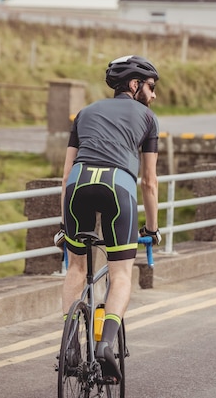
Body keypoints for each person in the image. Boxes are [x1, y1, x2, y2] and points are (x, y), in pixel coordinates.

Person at [54, 55, 162, 381]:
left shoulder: (85, 113)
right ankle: (105, 345)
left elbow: (65, 175)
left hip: (78, 184)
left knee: (76, 266)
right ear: (134, 85)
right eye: (151, 87)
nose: (153, 95)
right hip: (118, 187)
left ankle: (70, 344)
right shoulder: (147, 117)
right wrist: (153, 229)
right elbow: (149, 182)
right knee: (121, 274)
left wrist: (63, 226)